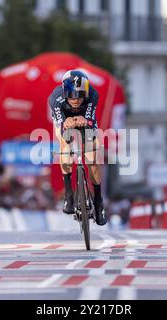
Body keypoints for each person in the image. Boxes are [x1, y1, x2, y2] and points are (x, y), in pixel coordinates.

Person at [48, 70, 107, 226]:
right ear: (65, 92)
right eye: (72, 95)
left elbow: (90, 119)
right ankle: (68, 194)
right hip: (63, 120)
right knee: (65, 147)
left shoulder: (93, 95)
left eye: (80, 95)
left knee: (92, 157)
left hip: (85, 120)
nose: (76, 99)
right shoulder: (55, 98)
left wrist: (85, 120)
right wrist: (66, 123)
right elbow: (61, 127)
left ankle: (98, 201)